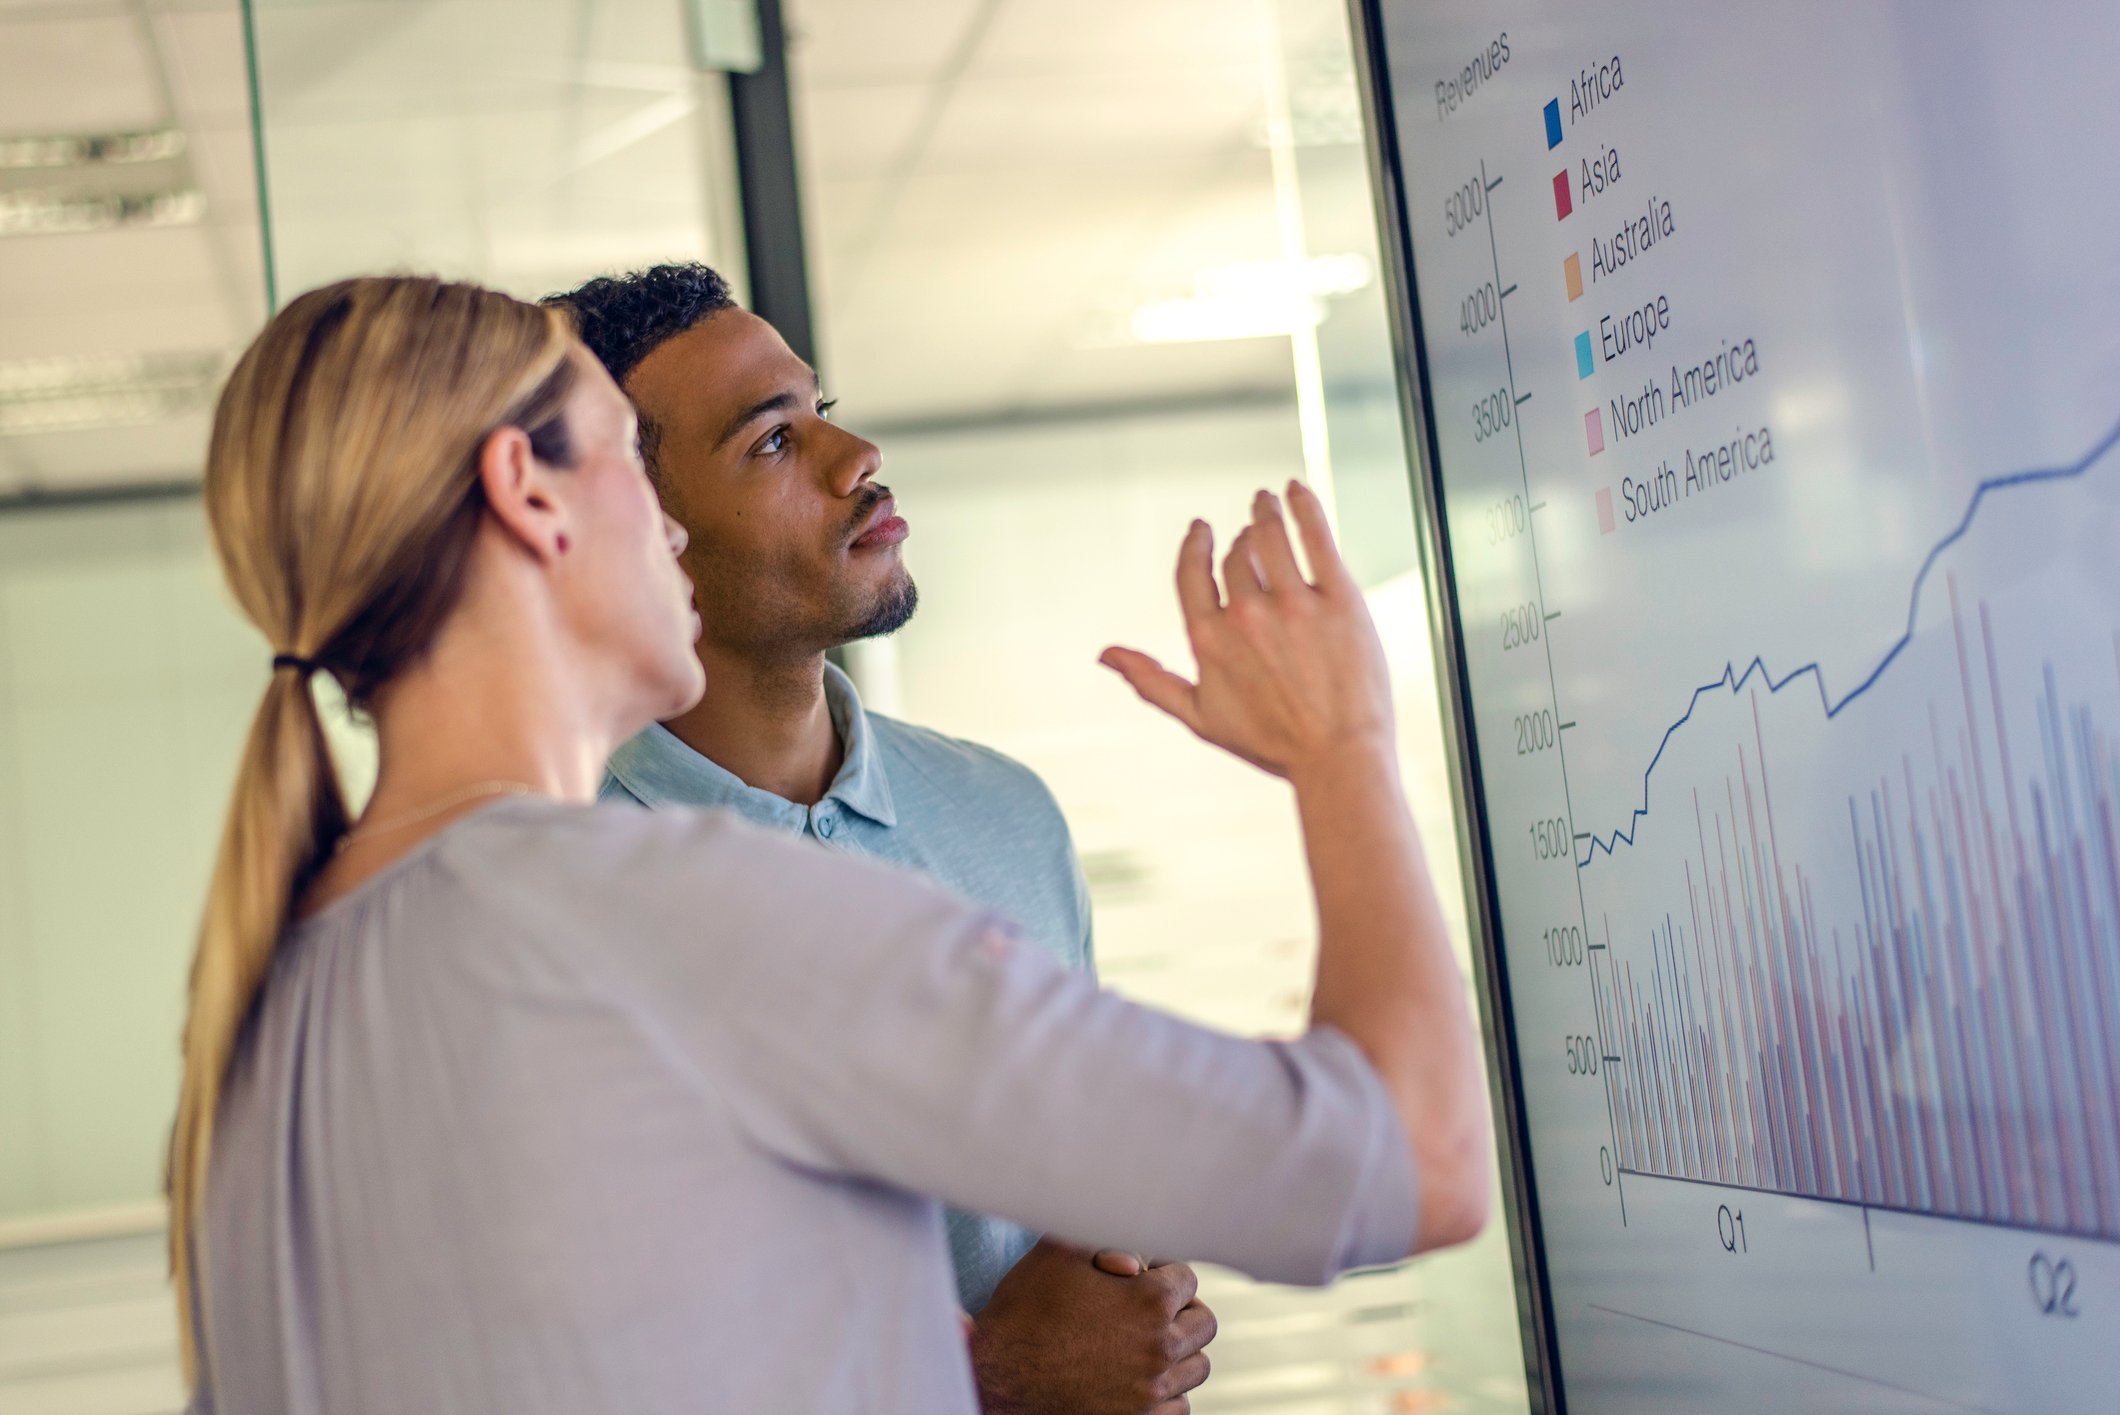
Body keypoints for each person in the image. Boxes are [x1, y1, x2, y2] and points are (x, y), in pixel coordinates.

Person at [173, 275, 1491, 1415]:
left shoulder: (281, 988)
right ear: (528, 492)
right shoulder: (679, 911)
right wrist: (1343, 744)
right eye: (629, 462)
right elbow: (1412, 1161)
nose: (669, 531)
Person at [543, 263, 1198, 1413]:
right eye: (771, 441)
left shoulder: (1003, 812)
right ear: (639, 538)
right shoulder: (543, 907)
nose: (856, 457)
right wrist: (987, 1380)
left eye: (822, 411)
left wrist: (1127, 1306)